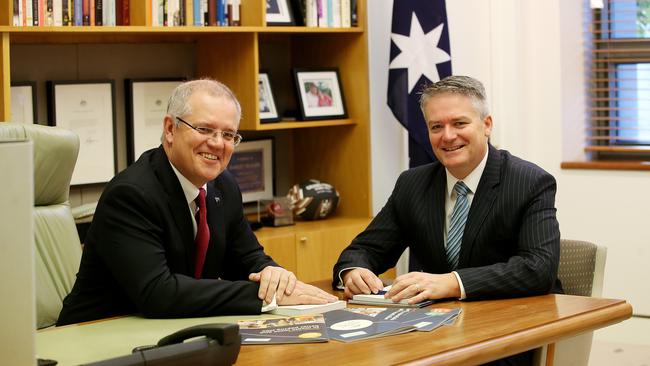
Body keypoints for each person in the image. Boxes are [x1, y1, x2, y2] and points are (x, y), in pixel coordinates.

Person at [57, 79, 336, 326]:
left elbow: (248, 259)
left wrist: (273, 276)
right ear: (170, 129)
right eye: (204, 129)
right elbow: (158, 292)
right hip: (97, 336)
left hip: (169, 332)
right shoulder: (131, 194)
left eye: (228, 135)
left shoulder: (223, 186)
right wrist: (261, 297)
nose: (217, 143)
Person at [332, 75, 561, 366]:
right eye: (436, 127)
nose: (448, 136)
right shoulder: (413, 184)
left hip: (508, 334)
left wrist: (453, 283)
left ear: (487, 125)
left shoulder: (529, 181)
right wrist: (355, 271)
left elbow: (537, 269)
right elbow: (363, 250)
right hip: (431, 331)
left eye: (459, 123)